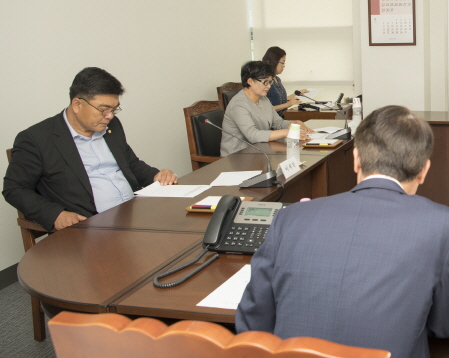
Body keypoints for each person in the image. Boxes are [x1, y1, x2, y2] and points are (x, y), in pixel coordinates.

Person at [236, 105, 449, 358]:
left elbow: (252, 323)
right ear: (424, 170)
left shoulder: (291, 218)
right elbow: (448, 325)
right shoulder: (444, 225)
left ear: (356, 158)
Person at [3, 67, 177, 232]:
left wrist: (156, 175)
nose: (109, 116)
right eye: (103, 110)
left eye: (114, 109)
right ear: (77, 104)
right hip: (91, 227)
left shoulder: (111, 125)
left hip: (134, 214)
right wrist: (56, 215)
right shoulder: (37, 139)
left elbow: (130, 163)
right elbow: (14, 189)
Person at [220, 61, 311, 157]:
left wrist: (292, 124)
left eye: (270, 82)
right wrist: (287, 132)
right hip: (237, 156)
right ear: (250, 81)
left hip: (259, 152)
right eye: (265, 82)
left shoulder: (263, 99)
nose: (269, 86)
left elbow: (277, 123)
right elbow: (253, 135)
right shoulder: (238, 105)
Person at [260, 46, 309, 116]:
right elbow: (264, 109)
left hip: (283, 117)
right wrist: (288, 104)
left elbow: (281, 100)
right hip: (272, 120)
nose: (284, 66)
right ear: (274, 61)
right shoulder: (264, 82)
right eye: (282, 63)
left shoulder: (277, 79)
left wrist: (298, 94)